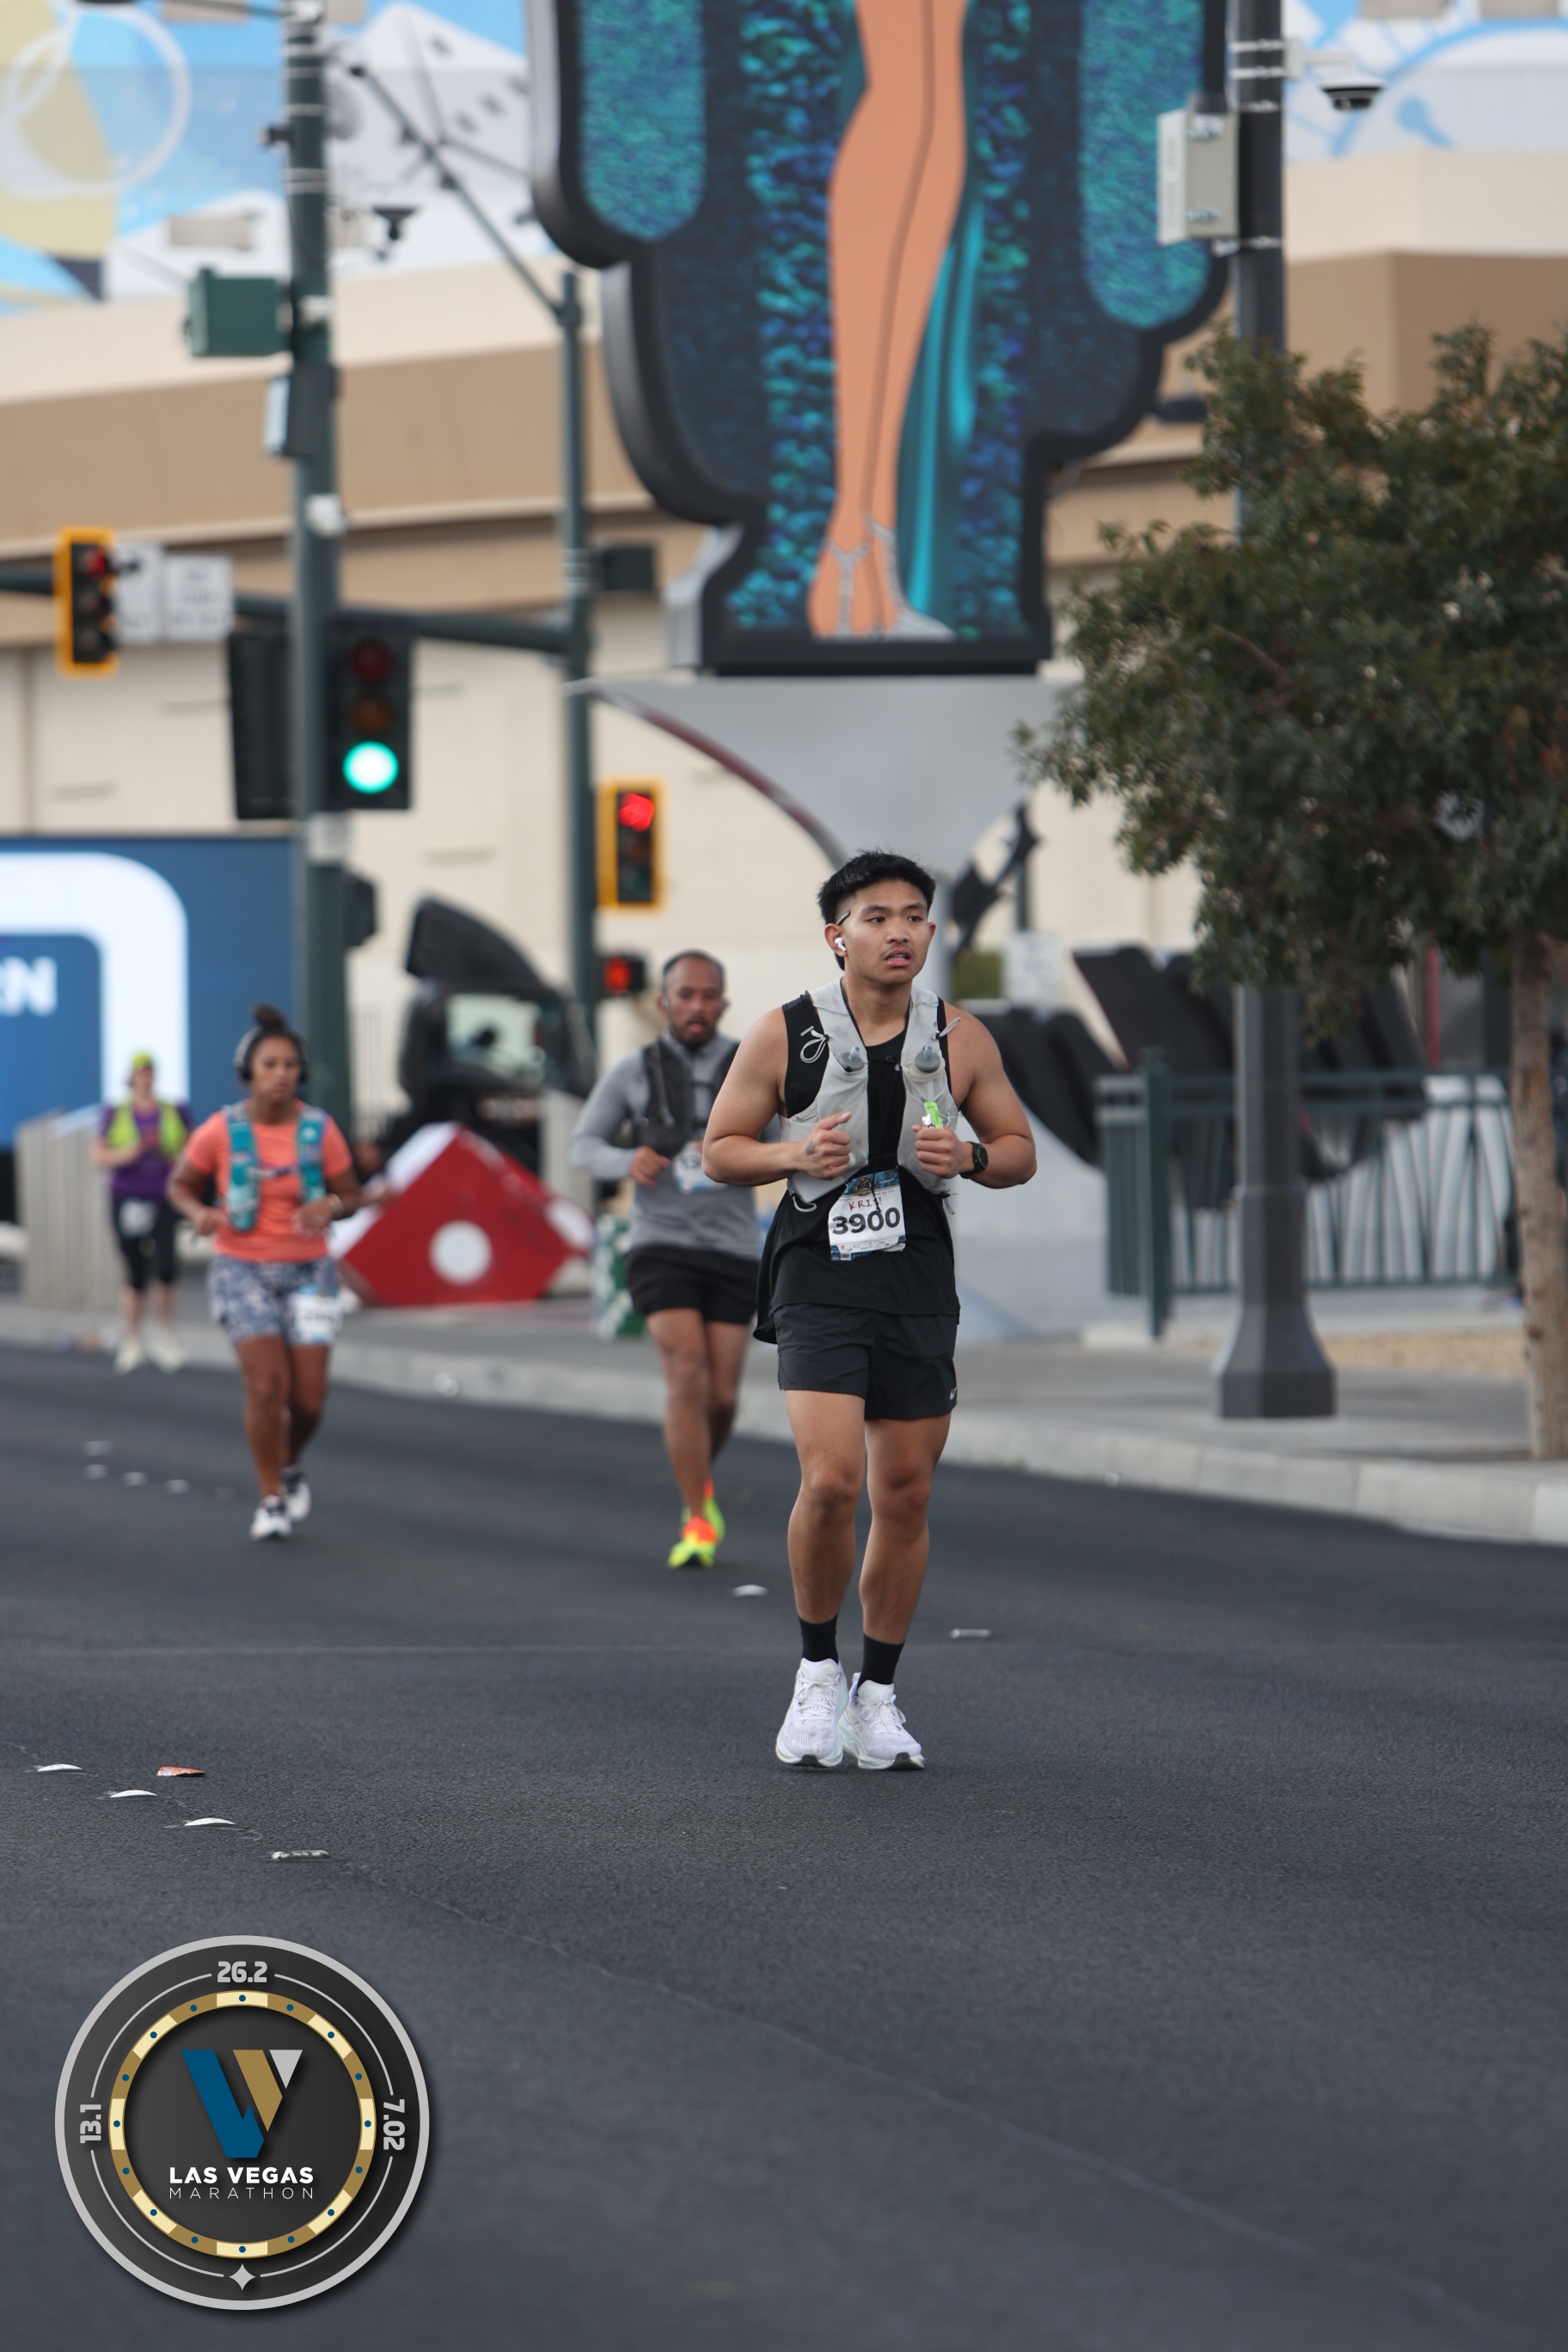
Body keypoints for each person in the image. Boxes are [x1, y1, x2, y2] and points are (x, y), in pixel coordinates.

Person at [703, 851, 1036, 1767]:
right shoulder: (786, 1032)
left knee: (907, 1490)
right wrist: (790, 1155)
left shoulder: (960, 1036)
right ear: (837, 936)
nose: (899, 932)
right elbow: (721, 1149)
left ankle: (876, 1696)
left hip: (917, 1273)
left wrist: (970, 1158)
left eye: (915, 916)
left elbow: (1017, 1148)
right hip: (818, 1267)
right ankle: (816, 1673)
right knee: (831, 1481)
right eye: (877, 917)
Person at [571, 952, 768, 1569]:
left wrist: (757, 1155)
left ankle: (695, 1473)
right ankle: (697, 1515)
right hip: (660, 1244)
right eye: (685, 995)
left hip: (733, 1246)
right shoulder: (632, 1071)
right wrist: (626, 1160)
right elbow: (584, 1144)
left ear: (723, 1004)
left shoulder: (752, 1064)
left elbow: (788, 1141)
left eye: (709, 996)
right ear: (664, 1002)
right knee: (687, 1373)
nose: (697, 1006)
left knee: (722, 1396)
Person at [166, 1006, 359, 1544]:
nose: (280, 1074)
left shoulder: (320, 1129)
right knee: (267, 1385)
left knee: (309, 1399)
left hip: (310, 1269)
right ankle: (271, 1498)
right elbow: (181, 1185)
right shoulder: (221, 1130)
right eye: (270, 1064)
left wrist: (330, 1206)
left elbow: (352, 1193)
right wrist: (198, 1212)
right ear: (248, 1071)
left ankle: (289, 1460)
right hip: (242, 1267)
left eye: (290, 1065)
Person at [94, 1051, 189, 1375]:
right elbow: (99, 1155)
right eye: (141, 1072)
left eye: (150, 1072)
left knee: (166, 1265)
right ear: (132, 1077)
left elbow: (190, 1152)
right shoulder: (116, 1112)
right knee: (134, 1270)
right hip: (128, 1199)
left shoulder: (173, 1110)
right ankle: (132, 1339)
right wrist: (130, 1152)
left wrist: (168, 1153)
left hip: (163, 1198)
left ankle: (165, 1335)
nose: (146, 1078)